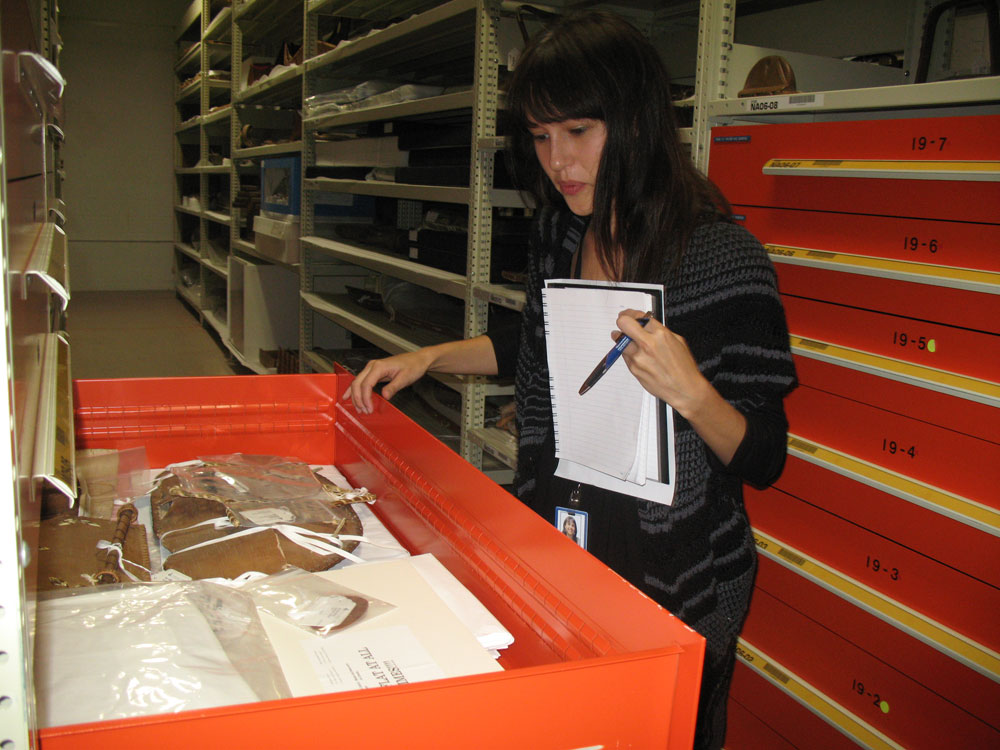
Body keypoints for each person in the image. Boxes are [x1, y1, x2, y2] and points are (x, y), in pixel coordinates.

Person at [344, 10, 797, 749]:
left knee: (660, 731)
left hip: (677, 573)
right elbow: (543, 345)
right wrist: (430, 358)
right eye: (542, 137)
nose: (560, 161)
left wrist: (693, 394)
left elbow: (765, 456)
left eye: (578, 132)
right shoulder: (564, 231)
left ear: (637, 122)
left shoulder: (721, 260)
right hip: (564, 532)